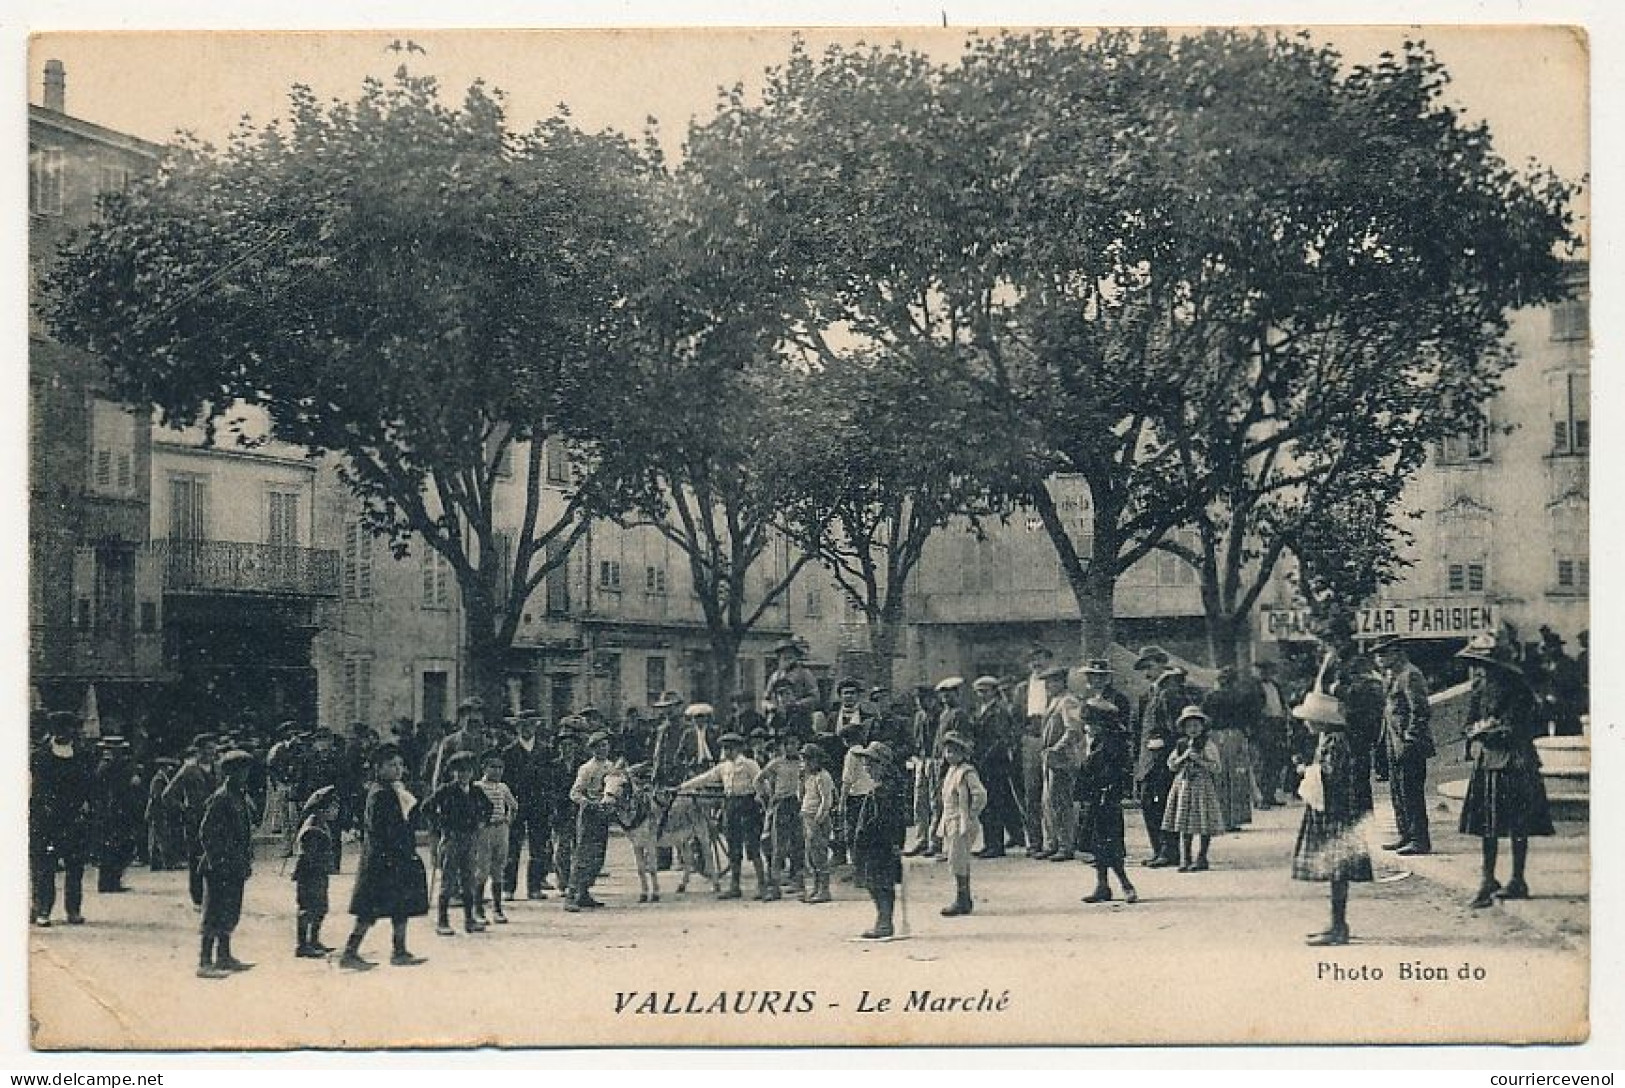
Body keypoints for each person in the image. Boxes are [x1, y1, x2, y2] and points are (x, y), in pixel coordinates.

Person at [1456, 632, 1556, 908]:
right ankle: (1488, 879)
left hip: (1515, 761)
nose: (1478, 670)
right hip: (1489, 762)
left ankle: (1517, 879)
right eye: (1476, 664)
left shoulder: (1518, 689)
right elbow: (1468, 723)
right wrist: (1475, 730)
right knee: (1487, 824)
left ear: (1497, 666)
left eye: (1483, 664)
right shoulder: (1479, 688)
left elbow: (1520, 728)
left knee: (1517, 823)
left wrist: (1487, 731)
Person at [1290, 688, 1374, 947]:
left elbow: (1332, 777)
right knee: (1336, 870)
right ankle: (1337, 922)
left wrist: (1307, 770)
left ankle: (1338, 926)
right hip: (1337, 808)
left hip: (1337, 811)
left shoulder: (1335, 742)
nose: (1306, 724)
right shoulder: (1330, 739)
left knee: (1337, 869)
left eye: (1309, 719)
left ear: (1321, 720)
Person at [340, 743, 430, 970]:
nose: (398, 769)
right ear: (378, 768)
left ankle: (399, 950)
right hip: (382, 859)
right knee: (368, 909)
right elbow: (384, 829)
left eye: (400, 764)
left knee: (401, 905)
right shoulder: (379, 794)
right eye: (392, 765)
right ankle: (349, 953)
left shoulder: (395, 791)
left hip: (397, 857)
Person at [679, 732, 765, 901]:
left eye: (730, 748)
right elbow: (705, 778)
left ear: (738, 748)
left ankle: (762, 886)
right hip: (731, 806)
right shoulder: (724, 767)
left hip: (748, 805)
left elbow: (761, 781)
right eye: (725, 748)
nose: (726, 751)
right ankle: (735, 887)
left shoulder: (749, 764)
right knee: (733, 846)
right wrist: (682, 787)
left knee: (752, 846)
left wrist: (761, 798)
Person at [196, 750, 257, 979]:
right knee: (213, 912)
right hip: (219, 866)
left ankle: (224, 956)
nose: (245, 775)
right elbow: (205, 833)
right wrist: (218, 860)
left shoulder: (239, 796)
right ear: (230, 773)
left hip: (235, 865)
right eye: (242, 771)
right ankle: (204, 961)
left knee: (230, 911)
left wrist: (245, 858)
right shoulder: (220, 798)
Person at [30, 712, 94, 927]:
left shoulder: (83, 755)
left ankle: (73, 910)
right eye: (60, 728)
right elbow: (37, 788)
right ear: (53, 731)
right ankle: (43, 910)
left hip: (74, 817)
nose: (64, 732)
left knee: (75, 866)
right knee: (45, 866)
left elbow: (89, 784)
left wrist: (85, 804)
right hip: (47, 818)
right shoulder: (40, 756)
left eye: (68, 728)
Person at [1373, 637, 1435, 856]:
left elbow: (1420, 711)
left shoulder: (1410, 675)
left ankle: (1419, 839)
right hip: (1393, 741)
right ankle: (1406, 835)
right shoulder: (1392, 676)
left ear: (1397, 653)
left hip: (1409, 744)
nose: (1378, 659)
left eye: (1382, 654)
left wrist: (1410, 739)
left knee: (1411, 792)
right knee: (1398, 792)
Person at [421, 751, 489, 935]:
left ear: (472, 772)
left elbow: (488, 807)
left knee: (469, 880)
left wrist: (482, 821)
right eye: (459, 771)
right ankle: (442, 921)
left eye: (467, 771)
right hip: (451, 838)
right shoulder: (446, 790)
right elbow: (426, 807)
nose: (463, 775)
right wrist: (439, 823)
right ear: (453, 772)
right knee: (448, 881)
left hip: (470, 839)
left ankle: (469, 920)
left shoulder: (476, 790)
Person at [1078, 698, 1137, 905]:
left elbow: (1109, 773)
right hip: (1097, 800)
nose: (1088, 728)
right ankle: (1102, 885)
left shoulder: (1112, 746)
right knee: (1098, 845)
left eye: (1091, 724)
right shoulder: (1100, 742)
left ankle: (1126, 883)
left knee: (1109, 845)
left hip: (1106, 800)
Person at [1133, 648, 1188, 868]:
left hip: (1163, 758)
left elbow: (1178, 727)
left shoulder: (1170, 691)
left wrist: (1166, 744)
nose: (1147, 672)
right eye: (1144, 668)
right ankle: (1159, 849)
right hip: (1149, 758)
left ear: (1161, 664)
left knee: (1162, 803)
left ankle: (1169, 850)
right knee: (1150, 803)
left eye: (1150, 666)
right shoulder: (1153, 691)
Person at [849, 741, 908, 940]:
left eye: (871, 764)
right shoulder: (885, 789)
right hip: (880, 843)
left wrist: (890, 841)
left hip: (878, 844)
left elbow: (888, 820)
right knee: (878, 882)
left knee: (878, 883)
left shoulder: (884, 792)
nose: (867, 768)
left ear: (883, 765)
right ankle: (883, 920)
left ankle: (884, 922)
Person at [1163, 706, 1225, 872]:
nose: (1193, 729)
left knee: (1204, 821)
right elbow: (1171, 765)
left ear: (1202, 727)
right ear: (1183, 728)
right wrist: (1183, 757)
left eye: (1196, 726)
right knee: (1184, 822)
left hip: (1201, 785)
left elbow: (1216, 767)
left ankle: (1202, 857)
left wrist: (1199, 760)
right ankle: (1186, 858)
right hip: (1183, 785)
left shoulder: (1207, 744)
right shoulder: (1181, 745)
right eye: (1189, 726)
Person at [163, 733, 219, 909]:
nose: (212, 752)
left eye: (214, 748)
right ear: (199, 750)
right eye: (209, 748)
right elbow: (167, 795)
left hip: (215, 820)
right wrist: (183, 809)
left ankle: (213, 896)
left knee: (215, 856)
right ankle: (198, 898)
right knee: (196, 859)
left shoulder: (219, 768)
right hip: (195, 821)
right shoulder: (189, 769)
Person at [936, 731, 988, 917]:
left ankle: (962, 898)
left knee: (959, 859)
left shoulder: (967, 772)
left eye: (954, 751)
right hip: (950, 820)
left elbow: (980, 794)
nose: (950, 755)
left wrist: (971, 813)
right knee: (955, 859)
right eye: (947, 751)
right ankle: (963, 897)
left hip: (961, 821)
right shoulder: (951, 771)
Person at [502, 713, 552, 901]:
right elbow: (505, 781)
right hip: (516, 804)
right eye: (522, 725)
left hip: (538, 805)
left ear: (536, 727)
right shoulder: (508, 752)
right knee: (512, 846)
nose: (526, 729)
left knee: (538, 847)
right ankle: (508, 888)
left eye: (530, 725)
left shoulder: (545, 750)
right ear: (517, 728)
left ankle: (535, 887)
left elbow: (549, 779)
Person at [1036, 666, 1084, 862]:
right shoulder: (1054, 701)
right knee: (1048, 802)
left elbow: (1073, 729)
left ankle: (1066, 845)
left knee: (1061, 802)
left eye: (1053, 681)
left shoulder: (1068, 701)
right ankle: (1052, 843)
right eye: (1047, 682)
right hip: (1050, 758)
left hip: (1062, 759)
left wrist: (1058, 747)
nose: (1048, 686)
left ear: (1062, 682)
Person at [563, 731, 615, 912]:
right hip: (589, 815)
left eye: (606, 745)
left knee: (598, 855)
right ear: (593, 749)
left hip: (604, 814)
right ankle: (571, 895)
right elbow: (574, 792)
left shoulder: (611, 767)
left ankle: (584, 893)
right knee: (582, 855)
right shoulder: (586, 768)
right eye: (600, 746)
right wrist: (588, 803)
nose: (604, 749)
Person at [1201, 667, 1255, 833]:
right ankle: (1234, 818)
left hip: (1216, 737)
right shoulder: (1240, 697)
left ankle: (1219, 818)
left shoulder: (1211, 697)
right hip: (1235, 735)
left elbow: (1205, 718)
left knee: (1219, 775)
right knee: (1236, 776)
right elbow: (1247, 718)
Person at [1013, 645, 1056, 853]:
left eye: (1041, 659)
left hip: (1052, 740)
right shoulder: (1022, 689)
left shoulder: (1055, 686)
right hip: (1031, 740)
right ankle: (1035, 842)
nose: (1037, 664)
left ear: (1049, 660)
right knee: (1032, 793)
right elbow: (1016, 718)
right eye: (1033, 660)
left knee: (1053, 793)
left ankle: (1054, 842)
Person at [969, 676, 1017, 859]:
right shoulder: (981, 710)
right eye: (979, 691)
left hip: (995, 763)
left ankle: (996, 845)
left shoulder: (999, 711)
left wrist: (985, 758)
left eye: (985, 691)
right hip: (983, 763)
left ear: (994, 691)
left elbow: (1000, 739)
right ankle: (989, 843)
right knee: (986, 805)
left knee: (995, 804)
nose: (982, 695)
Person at [293, 785, 341, 959]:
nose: (336, 811)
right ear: (323, 808)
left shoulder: (321, 823)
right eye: (334, 807)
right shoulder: (313, 827)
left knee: (320, 908)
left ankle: (313, 941)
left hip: (319, 874)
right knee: (308, 908)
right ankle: (302, 944)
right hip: (310, 875)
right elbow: (309, 855)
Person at [472, 751, 520, 925]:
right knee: (482, 870)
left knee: (499, 868)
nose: (497, 771)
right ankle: (478, 910)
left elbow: (514, 805)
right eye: (493, 767)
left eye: (500, 768)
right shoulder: (477, 786)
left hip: (501, 828)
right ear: (484, 768)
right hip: (484, 830)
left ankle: (498, 909)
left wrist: (508, 820)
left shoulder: (503, 787)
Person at [755, 732, 804, 901]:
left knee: (799, 844)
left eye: (793, 743)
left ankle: (799, 882)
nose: (790, 747)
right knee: (778, 846)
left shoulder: (803, 763)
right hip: (781, 804)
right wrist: (766, 797)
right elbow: (758, 779)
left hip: (797, 804)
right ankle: (774, 887)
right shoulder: (776, 763)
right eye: (787, 744)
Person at [93, 736, 142, 894]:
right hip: (110, 813)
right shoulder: (105, 766)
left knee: (123, 846)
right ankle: (107, 882)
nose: (115, 752)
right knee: (110, 848)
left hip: (123, 811)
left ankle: (114, 880)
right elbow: (101, 790)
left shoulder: (124, 765)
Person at [798, 743, 836, 904]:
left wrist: (819, 819)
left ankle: (824, 889)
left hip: (817, 817)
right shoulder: (809, 777)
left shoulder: (823, 777)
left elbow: (826, 800)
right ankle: (816, 886)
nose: (805, 764)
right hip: (807, 815)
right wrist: (800, 782)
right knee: (811, 854)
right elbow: (801, 797)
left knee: (819, 853)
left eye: (808, 761)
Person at [1251, 662, 1290, 808]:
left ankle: (1270, 794)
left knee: (1276, 760)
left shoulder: (1276, 686)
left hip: (1277, 724)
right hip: (1263, 725)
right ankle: (1261, 798)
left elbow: (1281, 704)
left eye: (1267, 670)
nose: (1265, 673)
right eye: (1262, 670)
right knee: (1263, 761)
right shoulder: (1253, 688)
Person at [428, 698, 488, 791]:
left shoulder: (487, 743)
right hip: (456, 792)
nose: (474, 716)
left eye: (478, 712)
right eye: (469, 713)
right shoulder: (450, 742)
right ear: (462, 717)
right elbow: (439, 774)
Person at [145, 755, 182, 871]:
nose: (170, 768)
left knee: (157, 838)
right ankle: (167, 862)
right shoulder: (159, 779)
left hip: (157, 811)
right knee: (161, 837)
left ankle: (157, 863)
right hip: (157, 811)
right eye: (168, 766)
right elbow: (157, 797)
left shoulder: (162, 778)